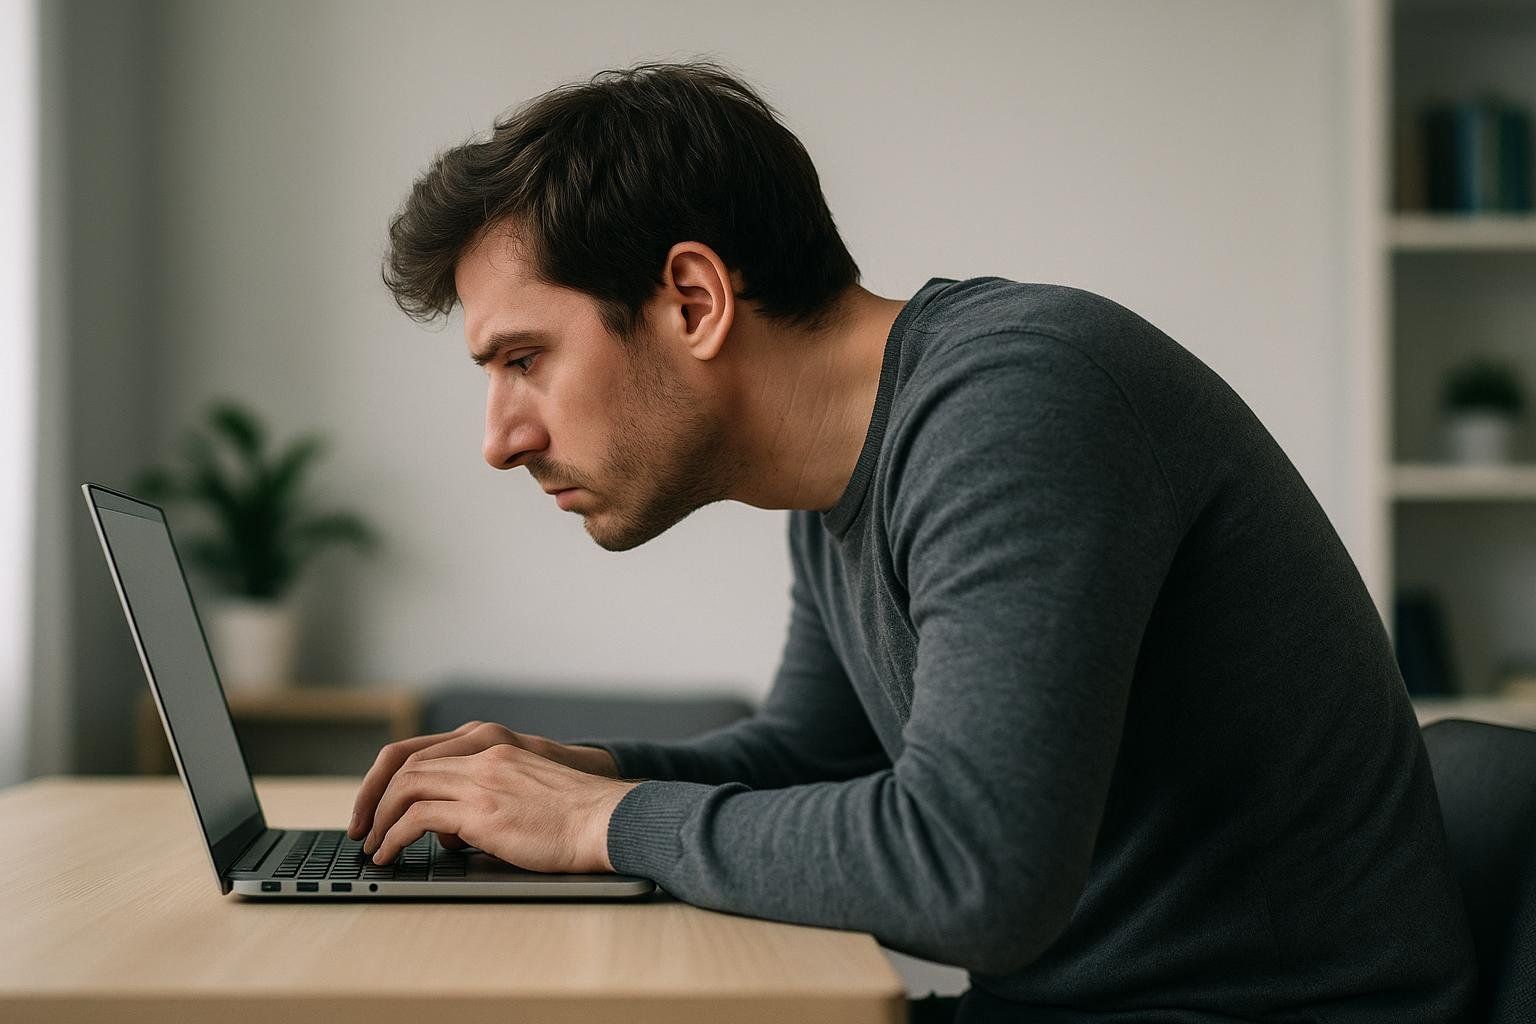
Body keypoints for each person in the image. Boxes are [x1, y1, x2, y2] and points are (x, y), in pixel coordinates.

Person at [348, 61, 1476, 1023]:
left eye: (521, 359)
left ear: (692, 300)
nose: (500, 440)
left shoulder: (1018, 403)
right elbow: (815, 760)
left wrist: (605, 822)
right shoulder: (836, 474)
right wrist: (575, 776)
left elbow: (973, 868)